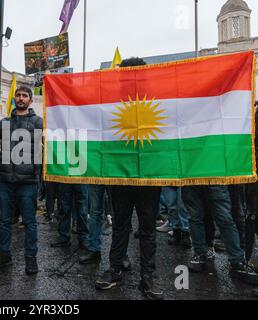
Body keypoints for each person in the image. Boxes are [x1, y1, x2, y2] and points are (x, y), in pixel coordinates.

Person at [94, 58, 163, 300]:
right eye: (126, 75)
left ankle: (148, 277)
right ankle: (114, 269)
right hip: (120, 176)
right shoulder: (110, 102)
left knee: (147, 228)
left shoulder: (159, 99)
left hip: (150, 178)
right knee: (121, 225)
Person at [0, 86, 43, 275]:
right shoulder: (4, 123)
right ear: (14, 99)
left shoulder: (39, 122)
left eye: (25, 95)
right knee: (4, 221)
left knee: (29, 222)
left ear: (30, 100)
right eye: (18, 95)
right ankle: (4, 255)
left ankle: (31, 258)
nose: (20, 98)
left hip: (28, 182)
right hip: (7, 181)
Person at [51, 183, 89, 249]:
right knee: (65, 206)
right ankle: (66, 237)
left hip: (79, 177)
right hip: (70, 177)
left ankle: (82, 237)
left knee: (81, 208)